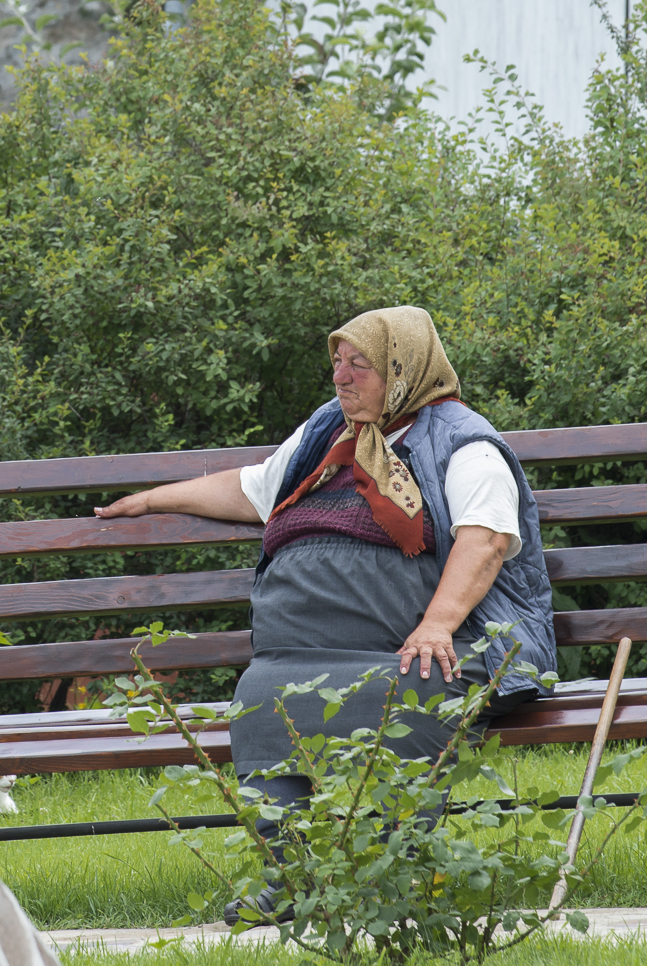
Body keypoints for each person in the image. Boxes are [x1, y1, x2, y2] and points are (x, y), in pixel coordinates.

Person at [94, 305, 556, 904]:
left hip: (438, 645)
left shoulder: (463, 443)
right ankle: (285, 878)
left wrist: (438, 625)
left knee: (410, 690)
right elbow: (253, 487)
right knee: (259, 696)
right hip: (299, 652)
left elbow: (487, 538)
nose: (341, 377)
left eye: (359, 365)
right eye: (337, 362)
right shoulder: (329, 432)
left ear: (405, 369)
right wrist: (155, 499)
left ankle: (389, 876)